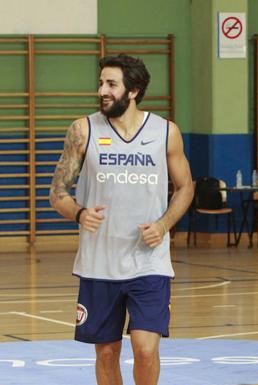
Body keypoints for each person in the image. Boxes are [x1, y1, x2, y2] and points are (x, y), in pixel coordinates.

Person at [49, 54, 194, 385]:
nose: (102, 90)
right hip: (99, 264)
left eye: (111, 84)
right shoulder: (82, 130)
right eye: (101, 83)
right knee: (106, 353)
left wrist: (163, 225)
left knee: (144, 349)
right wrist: (79, 212)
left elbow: (185, 187)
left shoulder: (165, 132)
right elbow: (57, 192)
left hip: (149, 262)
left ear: (134, 90)